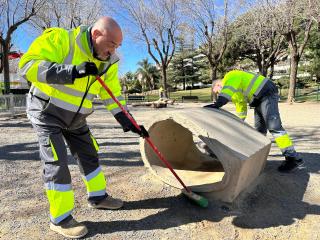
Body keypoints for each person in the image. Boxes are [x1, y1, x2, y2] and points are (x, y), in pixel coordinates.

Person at [19, 16, 149, 239]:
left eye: (117, 46)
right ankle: (60, 219)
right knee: (56, 162)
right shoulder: (61, 39)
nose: (113, 51)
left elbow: (113, 94)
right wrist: (71, 71)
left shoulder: (108, 62)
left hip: (77, 118)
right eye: (111, 44)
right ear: (96, 34)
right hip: (46, 112)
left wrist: (129, 122)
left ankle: (98, 197)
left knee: (89, 153)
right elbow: (28, 66)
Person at [204, 70, 303, 173]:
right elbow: (241, 106)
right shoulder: (234, 91)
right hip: (258, 100)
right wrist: (237, 122)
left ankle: (293, 158)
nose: (219, 94)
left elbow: (226, 92)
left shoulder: (230, 76)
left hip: (266, 91)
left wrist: (219, 103)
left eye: (217, 92)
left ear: (219, 84)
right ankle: (259, 156)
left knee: (274, 127)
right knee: (259, 130)